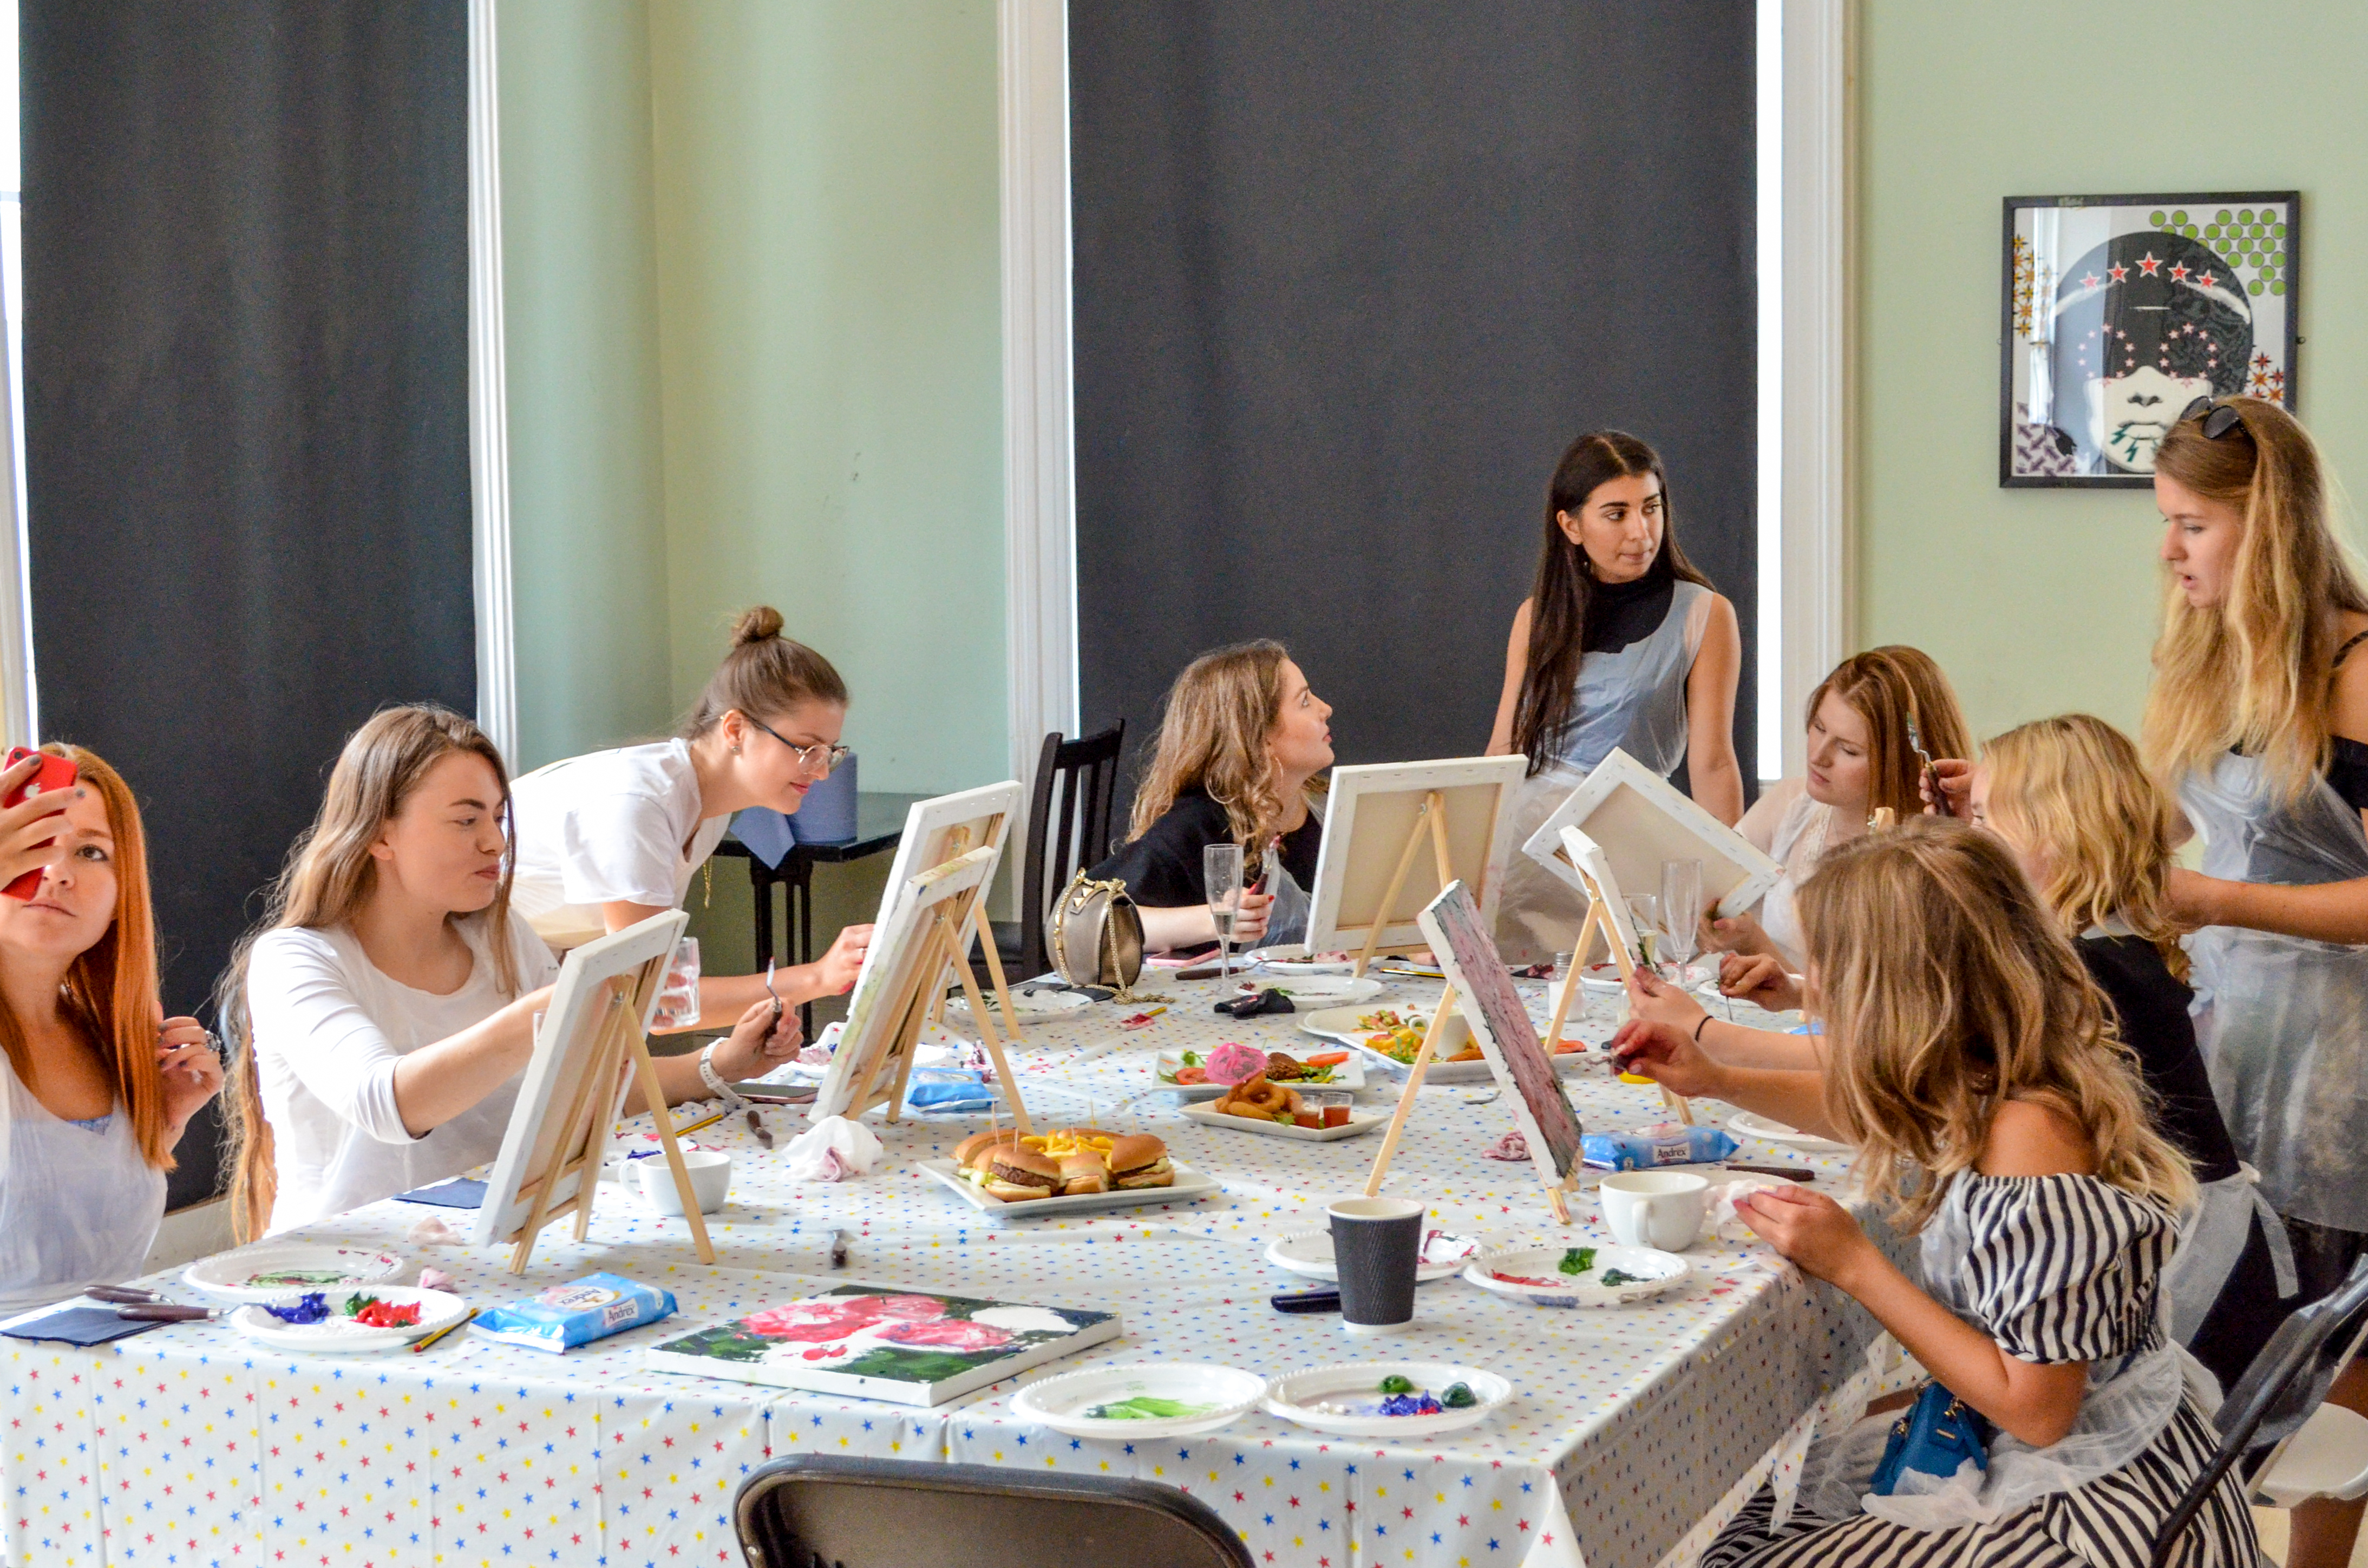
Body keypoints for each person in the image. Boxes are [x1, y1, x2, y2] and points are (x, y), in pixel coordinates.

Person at [1615, 820, 2255, 1568]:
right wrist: (1719, 1079)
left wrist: (1854, 1264)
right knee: (1739, 1512)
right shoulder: (2004, 1075)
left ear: (1896, 995)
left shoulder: (2033, 1145)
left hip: (2080, 1509)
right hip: (2060, 1454)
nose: (1815, 992)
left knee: (1722, 1545)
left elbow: (2037, 1411)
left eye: (1829, 974)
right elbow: (1886, 1115)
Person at [223, 706, 801, 1237]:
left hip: (481, 1250)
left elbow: (593, 1089)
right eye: (465, 820)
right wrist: (553, 1009)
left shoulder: (499, 937)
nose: (495, 842)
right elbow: (390, 1104)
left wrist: (719, 1064)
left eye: (499, 817)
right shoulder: (295, 960)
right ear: (380, 833)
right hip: (348, 1272)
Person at [1970, 714, 2291, 1395]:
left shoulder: (2086, 976)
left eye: (1983, 817)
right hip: (2194, 1242)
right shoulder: (2107, 947)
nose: (1970, 839)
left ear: (2054, 830)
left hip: (2192, 1275)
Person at [507, 607, 870, 1022]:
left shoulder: (707, 806)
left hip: (531, 967)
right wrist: (817, 977)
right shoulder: (639, 807)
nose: (821, 772)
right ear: (735, 730)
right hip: (473, 973)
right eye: (807, 748)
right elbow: (657, 1001)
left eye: (829, 752)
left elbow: (646, 986)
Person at [1486, 430, 1743, 963]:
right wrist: (1470, 865)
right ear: (1571, 525)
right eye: (1616, 514)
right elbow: (1503, 753)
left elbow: (1714, 762)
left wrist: (1731, 887)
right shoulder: (1536, 617)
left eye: (1651, 507)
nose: (1640, 531)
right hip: (1525, 858)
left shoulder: (1704, 614)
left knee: (1633, 994)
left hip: (1626, 849)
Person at [0, 745, 223, 1314]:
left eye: (91, 852)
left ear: (124, 896)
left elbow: (71, 1226)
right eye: (33, 842)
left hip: (115, 1359)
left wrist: (160, 1125)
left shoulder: (111, 1038)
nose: (57, 872)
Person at [1711, 646, 1968, 979]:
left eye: (1848, 750)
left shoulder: (1933, 859)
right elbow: (1708, 886)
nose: (1818, 757)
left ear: (1900, 763)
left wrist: (1753, 943)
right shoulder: (1789, 806)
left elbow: (1865, 1004)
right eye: (1819, 728)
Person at [1089, 641, 1332, 955]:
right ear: (1258, 735)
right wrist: (1213, 919)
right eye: (1305, 702)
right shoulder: (1199, 824)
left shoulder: (1329, 809)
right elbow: (1087, 922)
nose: (1325, 708)